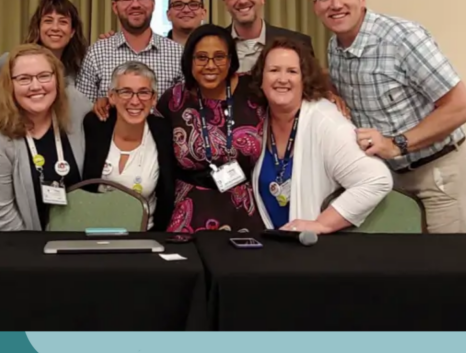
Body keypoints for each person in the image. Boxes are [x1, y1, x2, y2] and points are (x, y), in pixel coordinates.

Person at [313, 0, 466, 233]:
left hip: (440, 172)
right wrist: (330, 93)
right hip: (392, 180)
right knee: (408, 270)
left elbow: (461, 107)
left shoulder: (402, 37)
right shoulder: (335, 46)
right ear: (315, 6)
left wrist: (396, 144)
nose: (336, 4)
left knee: (453, 267)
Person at [250, 38, 393, 233]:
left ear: (304, 79)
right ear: (261, 79)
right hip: (273, 246)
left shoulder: (327, 122)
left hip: (312, 251)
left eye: (292, 71)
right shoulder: (259, 118)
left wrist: (322, 224)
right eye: (274, 70)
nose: (282, 79)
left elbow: (376, 180)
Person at [158, 24, 266, 233]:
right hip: (188, 211)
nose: (210, 65)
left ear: (231, 60)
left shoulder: (253, 90)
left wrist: (329, 93)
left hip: (245, 209)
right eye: (201, 57)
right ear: (189, 60)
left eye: (219, 57)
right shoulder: (174, 99)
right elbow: (140, 122)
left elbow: (293, 92)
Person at [0, 45, 87, 231]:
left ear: (57, 79)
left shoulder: (76, 109)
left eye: (44, 76)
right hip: (18, 247)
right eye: (24, 79)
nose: (36, 86)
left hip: (73, 241)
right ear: (9, 85)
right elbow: (1, 218)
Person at [81, 62, 176, 231]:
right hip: (92, 232)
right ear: (111, 96)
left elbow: (167, 195)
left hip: (143, 235)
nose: (135, 101)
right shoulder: (94, 126)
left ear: (154, 99)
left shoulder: (164, 132)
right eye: (125, 92)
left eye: (144, 93)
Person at [77, 0, 184, 103]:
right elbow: (84, 110)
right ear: (115, 7)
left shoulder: (177, 54)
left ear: (153, 4)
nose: (135, 5)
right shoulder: (96, 53)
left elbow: (183, 111)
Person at [0, 0, 93, 116]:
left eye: (63, 22)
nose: (55, 28)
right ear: (38, 28)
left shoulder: (80, 68)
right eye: (48, 21)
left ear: (72, 32)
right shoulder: (10, 61)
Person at [220, 0, 314, 72]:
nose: (242, 0)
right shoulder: (215, 45)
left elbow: (311, 86)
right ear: (226, 3)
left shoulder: (299, 43)